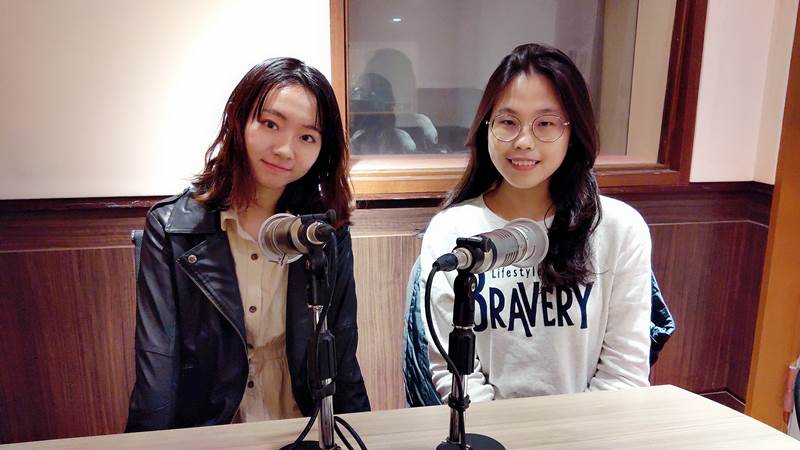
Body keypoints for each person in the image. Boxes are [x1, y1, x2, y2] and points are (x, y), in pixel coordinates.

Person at [125, 57, 370, 431]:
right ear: (238, 120)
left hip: (302, 428)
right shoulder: (172, 228)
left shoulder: (324, 232)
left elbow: (342, 356)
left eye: (307, 137)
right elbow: (157, 364)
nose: (285, 149)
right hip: (213, 433)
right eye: (271, 124)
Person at [419, 43, 652, 402]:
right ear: (486, 127)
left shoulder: (619, 229)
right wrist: (497, 430)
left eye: (545, 123)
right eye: (508, 122)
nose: (524, 141)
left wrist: (574, 431)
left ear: (572, 133)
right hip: (485, 428)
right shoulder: (451, 231)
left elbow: (624, 373)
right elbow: (454, 372)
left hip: (590, 427)